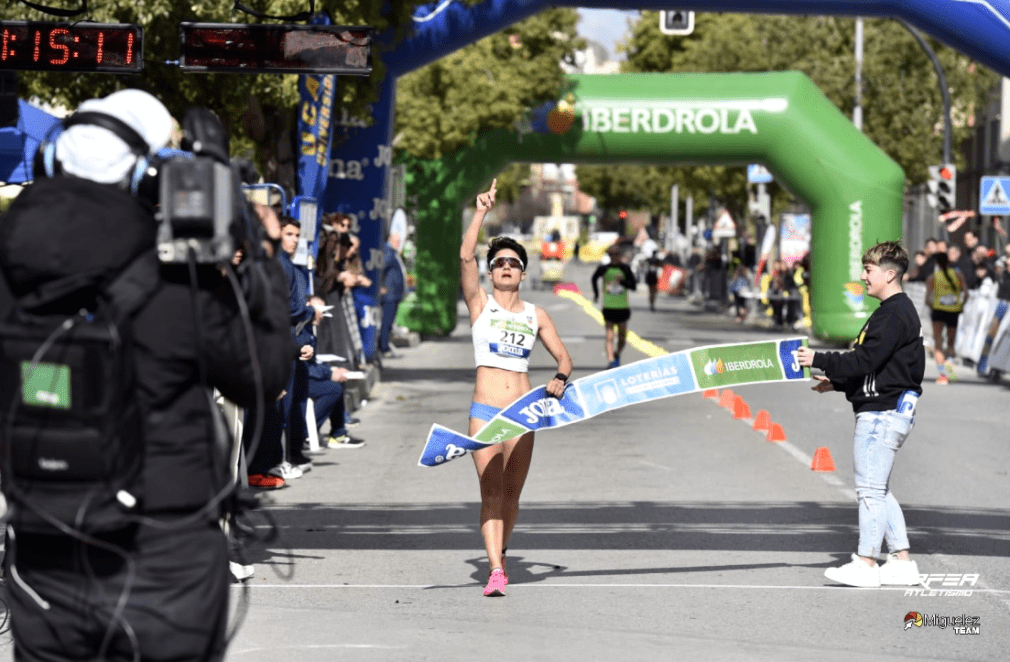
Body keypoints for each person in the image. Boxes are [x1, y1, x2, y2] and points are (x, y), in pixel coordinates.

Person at [0, 91, 292, 661]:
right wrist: (254, 254)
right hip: (166, 560)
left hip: (42, 556)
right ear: (151, 177)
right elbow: (262, 377)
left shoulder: (8, 275)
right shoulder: (179, 283)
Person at [460, 178, 572, 597]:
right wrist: (481, 212)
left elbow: (564, 358)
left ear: (523, 273)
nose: (505, 266)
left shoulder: (536, 314)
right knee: (489, 494)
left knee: (511, 495)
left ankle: (502, 551)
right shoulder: (479, 306)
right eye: (499, 262)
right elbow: (465, 255)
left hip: (524, 412)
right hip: (485, 412)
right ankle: (495, 571)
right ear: (491, 273)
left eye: (513, 262)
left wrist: (560, 379)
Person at [796, 241, 925, 588]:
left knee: (869, 490)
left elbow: (866, 361)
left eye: (868, 270)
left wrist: (818, 358)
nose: (862, 277)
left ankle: (866, 563)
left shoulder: (895, 313)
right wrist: (836, 382)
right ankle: (901, 563)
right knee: (879, 489)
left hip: (881, 414)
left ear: (889, 273)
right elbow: (880, 366)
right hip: (885, 409)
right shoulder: (893, 311)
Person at [924, 247, 967, 384]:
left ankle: (942, 374)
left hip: (938, 311)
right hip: (953, 311)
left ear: (937, 263)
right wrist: (960, 306)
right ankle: (949, 360)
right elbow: (966, 293)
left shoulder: (933, 277)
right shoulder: (958, 275)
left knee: (938, 342)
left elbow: (927, 299)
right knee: (950, 342)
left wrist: (933, 307)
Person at [592, 244, 637, 368]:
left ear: (620, 255)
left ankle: (617, 353)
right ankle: (611, 361)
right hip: (609, 306)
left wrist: (622, 281)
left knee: (622, 336)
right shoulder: (604, 268)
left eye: (616, 254)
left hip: (622, 307)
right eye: (611, 254)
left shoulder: (625, 269)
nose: (614, 257)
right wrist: (596, 294)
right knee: (609, 335)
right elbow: (594, 278)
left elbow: (633, 286)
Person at [379, 231, 406, 358]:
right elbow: (381, 268)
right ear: (390, 239)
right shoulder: (388, 251)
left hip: (394, 293)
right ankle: (384, 348)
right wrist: (381, 286)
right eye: (397, 240)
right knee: (386, 322)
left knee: (389, 322)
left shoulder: (392, 252)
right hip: (389, 294)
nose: (399, 243)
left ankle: (386, 345)